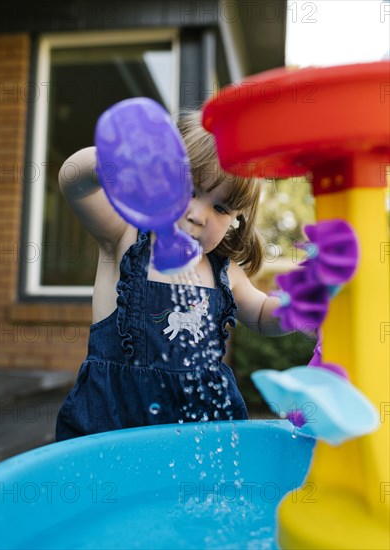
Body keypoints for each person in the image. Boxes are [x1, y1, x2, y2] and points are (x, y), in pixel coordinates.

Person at [55, 110, 284, 441]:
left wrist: (298, 313)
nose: (196, 215)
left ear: (238, 220)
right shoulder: (124, 237)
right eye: (188, 190)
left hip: (201, 429)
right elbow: (73, 180)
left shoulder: (226, 271)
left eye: (220, 209)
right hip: (114, 420)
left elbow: (263, 316)